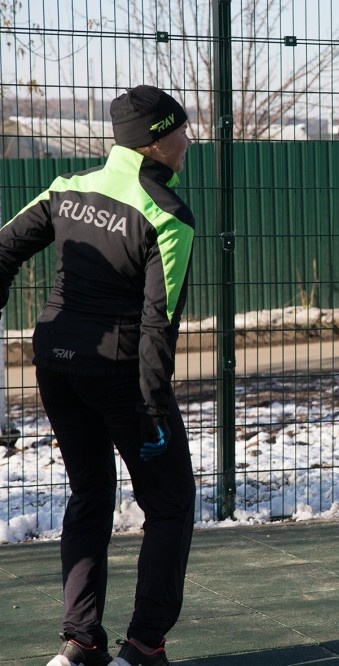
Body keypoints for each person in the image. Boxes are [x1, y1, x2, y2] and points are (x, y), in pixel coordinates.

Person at [0, 85, 196, 666]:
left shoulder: (67, 188)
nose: (188, 141)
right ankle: (143, 647)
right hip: (121, 378)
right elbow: (159, 326)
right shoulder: (168, 214)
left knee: (89, 494)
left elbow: (2, 250)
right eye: (181, 131)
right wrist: (155, 406)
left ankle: (81, 643)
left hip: (56, 365)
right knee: (169, 504)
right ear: (156, 141)